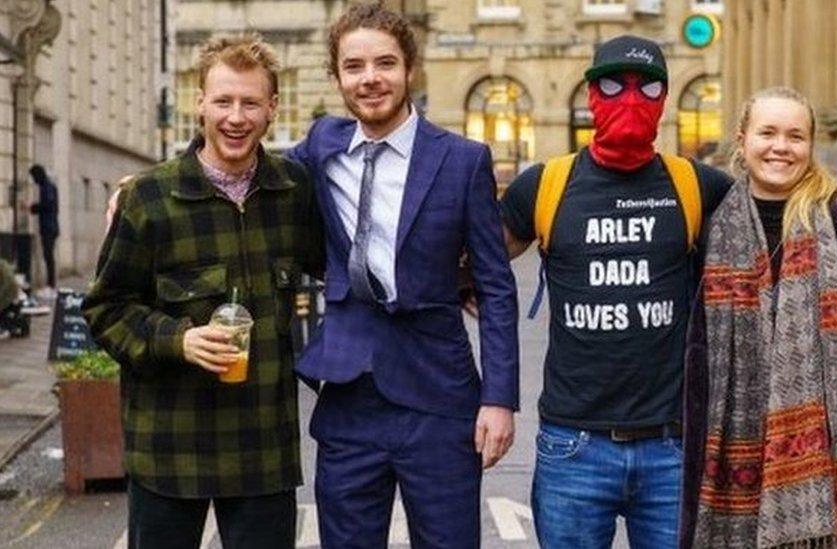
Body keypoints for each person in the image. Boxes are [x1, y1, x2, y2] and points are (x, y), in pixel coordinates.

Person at [286, 4, 519, 547]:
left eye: (385, 63)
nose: (370, 79)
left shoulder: (462, 160)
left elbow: (495, 287)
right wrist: (143, 184)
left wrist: (500, 397)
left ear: (410, 69)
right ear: (339, 76)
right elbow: (241, 161)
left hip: (440, 399)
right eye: (355, 67)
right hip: (349, 396)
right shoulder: (321, 146)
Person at [82, 33, 323, 549]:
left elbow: (354, 264)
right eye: (223, 101)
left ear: (272, 109)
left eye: (250, 103)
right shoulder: (149, 197)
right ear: (200, 104)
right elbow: (105, 308)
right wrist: (179, 339)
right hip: (169, 450)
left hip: (262, 450)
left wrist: (460, 277)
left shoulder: (295, 192)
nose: (236, 117)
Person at [499, 35, 734, 548]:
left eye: (647, 87)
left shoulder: (695, 184)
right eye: (613, 85)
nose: (630, 99)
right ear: (590, 96)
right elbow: (467, 261)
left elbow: (784, 207)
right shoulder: (546, 185)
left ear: (665, 100)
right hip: (574, 447)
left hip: (671, 445)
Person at [681, 87, 837, 548]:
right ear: (742, 141)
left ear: (810, 145)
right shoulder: (709, 229)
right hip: (732, 482)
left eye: (796, 136)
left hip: (836, 478)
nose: (781, 146)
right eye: (768, 133)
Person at [28, 164, 59, 299]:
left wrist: (32, 207)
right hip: (49, 226)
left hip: (49, 227)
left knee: (48, 257)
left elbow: (47, 205)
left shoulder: (47, 187)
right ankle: (50, 285)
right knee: (48, 256)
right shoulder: (47, 186)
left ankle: (51, 286)